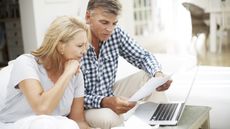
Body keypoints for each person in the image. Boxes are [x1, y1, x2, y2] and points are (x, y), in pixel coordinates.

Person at [81, 0, 173, 129]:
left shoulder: (115, 33)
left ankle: (164, 123)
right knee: (110, 117)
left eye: (114, 23)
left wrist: (158, 74)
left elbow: (143, 56)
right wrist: (104, 102)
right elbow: (71, 98)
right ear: (88, 17)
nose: (110, 29)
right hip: (83, 106)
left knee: (150, 77)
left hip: (109, 93)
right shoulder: (75, 41)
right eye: (104, 22)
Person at [0, 16, 98, 129]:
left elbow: (78, 121)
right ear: (60, 46)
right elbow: (42, 108)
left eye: (86, 46)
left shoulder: (76, 75)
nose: (84, 52)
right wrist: (67, 73)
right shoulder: (26, 63)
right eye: (80, 46)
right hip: (14, 125)